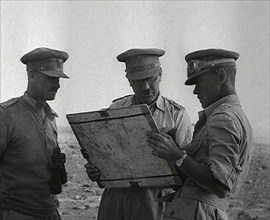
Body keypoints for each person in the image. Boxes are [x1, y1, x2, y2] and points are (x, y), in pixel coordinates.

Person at [84, 48, 193, 220]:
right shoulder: (116, 109)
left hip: (153, 199)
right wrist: (96, 169)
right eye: (138, 81)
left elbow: (188, 168)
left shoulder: (177, 115)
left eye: (151, 79)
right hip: (115, 196)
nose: (146, 87)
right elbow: (105, 152)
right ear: (129, 82)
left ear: (160, 75)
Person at [147, 48, 253, 220]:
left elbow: (220, 185)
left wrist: (177, 155)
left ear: (220, 77)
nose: (195, 91)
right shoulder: (230, 115)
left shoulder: (223, 119)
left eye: (200, 82)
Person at [0, 47, 69, 220]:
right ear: (31, 76)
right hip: (16, 212)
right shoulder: (7, 115)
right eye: (51, 78)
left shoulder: (51, 117)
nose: (57, 85)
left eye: (59, 79)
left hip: (48, 211)